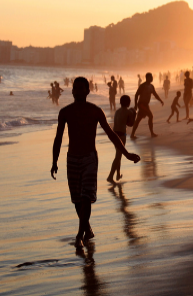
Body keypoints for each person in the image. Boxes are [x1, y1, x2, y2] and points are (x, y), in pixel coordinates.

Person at [51, 77, 140, 248]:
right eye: (75, 88)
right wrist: (54, 161)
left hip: (90, 159)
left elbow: (111, 134)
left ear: (87, 91)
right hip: (72, 159)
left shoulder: (95, 111)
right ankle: (87, 228)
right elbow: (58, 138)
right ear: (72, 91)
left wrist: (127, 154)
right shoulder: (65, 112)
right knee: (77, 200)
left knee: (86, 197)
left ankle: (79, 235)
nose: (77, 91)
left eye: (81, 88)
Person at [130, 73, 164, 139]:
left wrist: (160, 100)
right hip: (141, 104)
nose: (152, 78)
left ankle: (132, 134)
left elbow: (155, 94)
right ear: (147, 78)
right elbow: (136, 95)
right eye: (151, 77)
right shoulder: (143, 86)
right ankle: (152, 133)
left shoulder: (151, 86)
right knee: (150, 116)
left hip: (146, 105)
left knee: (138, 119)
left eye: (152, 77)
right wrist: (136, 105)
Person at [108, 95, 133, 183]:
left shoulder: (117, 111)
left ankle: (118, 174)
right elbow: (131, 124)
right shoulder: (128, 112)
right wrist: (134, 114)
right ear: (128, 103)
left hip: (114, 134)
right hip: (121, 135)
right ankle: (110, 176)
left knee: (118, 154)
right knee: (118, 156)